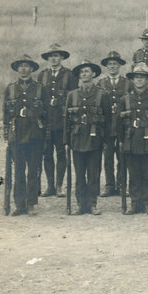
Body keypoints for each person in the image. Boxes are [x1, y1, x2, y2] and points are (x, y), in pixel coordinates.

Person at [1, 53, 48, 214]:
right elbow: (6, 114)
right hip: (17, 135)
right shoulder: (11, 88)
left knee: (33, 171)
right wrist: (7, 135)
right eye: (21, 66)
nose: (23, 69)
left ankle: (31, 204)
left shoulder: (40, 88)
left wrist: (45, 136)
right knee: (18, 171)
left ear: (32, 69)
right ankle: (19, 204)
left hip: (35, 135)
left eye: (27, 66)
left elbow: (46, 114)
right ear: (17, 69)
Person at [115, 63, 148, 214]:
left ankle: (146, 202)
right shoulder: (125, 99)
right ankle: (135, 203)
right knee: (133, 173)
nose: (139, 80)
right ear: (132, 80)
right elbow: (119, 124)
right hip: (131, 141)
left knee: (147, 173)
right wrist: (121, 141)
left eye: (142, 77)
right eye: (137, 77)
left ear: (147, 80)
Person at [63, 60, 109, 215]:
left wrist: (106, 141)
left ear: (94, 74)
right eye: (82, 72)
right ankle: (80, 204)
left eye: (87, 71)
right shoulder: (72, 95)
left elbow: (108, 120)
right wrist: (66, 141)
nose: (84, 74)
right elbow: (66, 121)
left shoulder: (102, 94)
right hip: (77, 140)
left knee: (93, 173)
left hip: (95, 140)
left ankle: (92, 204)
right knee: (79, 174)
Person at [37, 43, 74, 196]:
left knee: (60, 153)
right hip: (46, 121)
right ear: (48, 58)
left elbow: (73, 98)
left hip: (61, 120)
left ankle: (59, 186)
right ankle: (50, 186)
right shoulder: (42, 75)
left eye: (56, 56)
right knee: (46, 153)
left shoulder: (69, 75)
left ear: (62, 58)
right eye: (51, 56)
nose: (53, 59)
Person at [97, 51, 128, 195]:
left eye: (115, 64)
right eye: (110, 64)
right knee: (108, 156)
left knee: (122, 156)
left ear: (120, 65)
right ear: (106, 66)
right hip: (107, 127)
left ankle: (121, 184)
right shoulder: (101, 83)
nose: (112, 67)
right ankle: (109, 185)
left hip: (123, 126)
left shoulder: (127, 83)